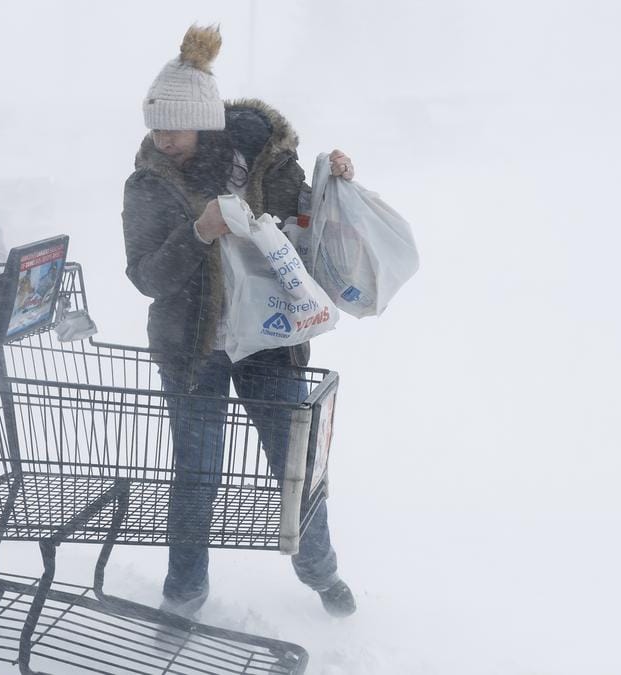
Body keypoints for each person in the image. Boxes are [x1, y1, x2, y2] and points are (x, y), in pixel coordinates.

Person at [121, 25, 358, 619]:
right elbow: (147, 277)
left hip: (271, 344)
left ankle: (322, 573)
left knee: (295, 465)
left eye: (171, 128)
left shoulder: (268, 163)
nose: (161, 139)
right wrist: (197, 232)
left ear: (204, 121)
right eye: (155, 127)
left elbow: (311, 223)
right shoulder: (148, 184)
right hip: (192, 349)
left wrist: (338, 180)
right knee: (197, 473)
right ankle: (183, 597)